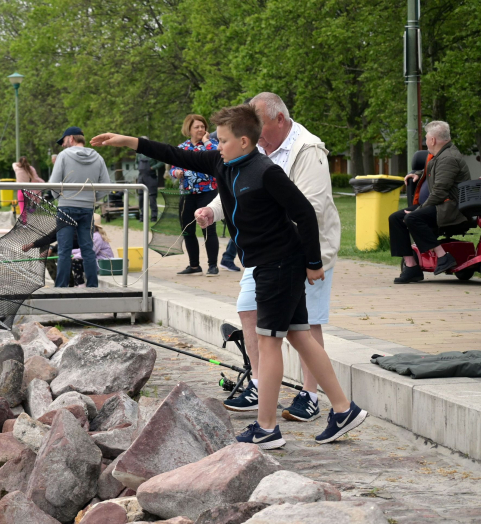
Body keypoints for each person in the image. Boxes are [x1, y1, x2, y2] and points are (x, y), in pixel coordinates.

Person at [91, 103, 366, 449]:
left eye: (221, 140)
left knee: (269, 345)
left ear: (245, 142)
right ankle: (344, 409)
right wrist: (129, 142)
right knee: (299, 336)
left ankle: (266, 428)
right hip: (266, 264)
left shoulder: (266, 172)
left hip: (280, 265)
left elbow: (305, 215)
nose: (215, 145)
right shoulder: (221, 163)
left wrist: (314, 263)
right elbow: (174, 154)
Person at [200, 93, 342, 424]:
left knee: (305, 326)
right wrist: (213, 209)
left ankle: (309, 396)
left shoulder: (308, 150)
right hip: (262, 253)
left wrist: (310, 261)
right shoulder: (254, 146)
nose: (253, 132)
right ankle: (262, 390)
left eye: (260, 124)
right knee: (249, 311)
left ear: (279, 120)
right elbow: (238, 187)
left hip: (303, 253)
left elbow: (311, 208)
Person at [390, 121, 471, 283]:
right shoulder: (441, 155)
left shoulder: (448, 158)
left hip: (451, 208)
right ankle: (411, 267)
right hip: (441, 205)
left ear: (433, 140)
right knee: (396, 218)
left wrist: (419, 209)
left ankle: (443, 257)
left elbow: (440, 192)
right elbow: (437, 172)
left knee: (412, 217)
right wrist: (418, 174)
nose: (425, 141)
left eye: (426, 138)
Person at [50, 126, 111, 288]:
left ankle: (61, 289)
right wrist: (91, 199)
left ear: (71, 139)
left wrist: (60, 198)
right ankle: (92, 286)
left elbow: (54, 184)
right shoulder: (98, 157)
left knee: (64, 250)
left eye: (63, 141)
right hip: (87, 208)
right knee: (87, 249)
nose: (62, 145)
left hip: (66, 207)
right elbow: (106, 185)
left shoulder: (63, 156)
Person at [170, 115, 220, 276]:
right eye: (196, 127)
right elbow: (172, 168)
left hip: (208, 192)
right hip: (187, 194)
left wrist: (206, 142)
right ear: (188, 129)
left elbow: (217, 158)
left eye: (202, 126)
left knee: (208, 229)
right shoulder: (182, 147)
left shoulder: (212, 145)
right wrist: (175, 172)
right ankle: (194, 266)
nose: (200, 129)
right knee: (187, 229)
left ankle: (213, 265)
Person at [71, 213, 115, 286]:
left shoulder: (96, 237)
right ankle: (76, 283)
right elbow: (84, 249)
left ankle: (80, 284)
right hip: (97, 260)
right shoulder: (92, 235)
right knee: (74, 260)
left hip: (103, 263)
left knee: (76, 261)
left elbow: (90, 252)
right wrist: (71, 252)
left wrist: (76, 256)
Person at [136, 140, 164, 222]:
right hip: (141, 177)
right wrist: (138, 167)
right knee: (141, 198)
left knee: (152, 198)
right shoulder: (138, 153)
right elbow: (136, 163)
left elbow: (161, 163)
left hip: (151, 177)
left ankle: (154, 217)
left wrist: (153, 168)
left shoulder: (153, 151)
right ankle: (142, 217)